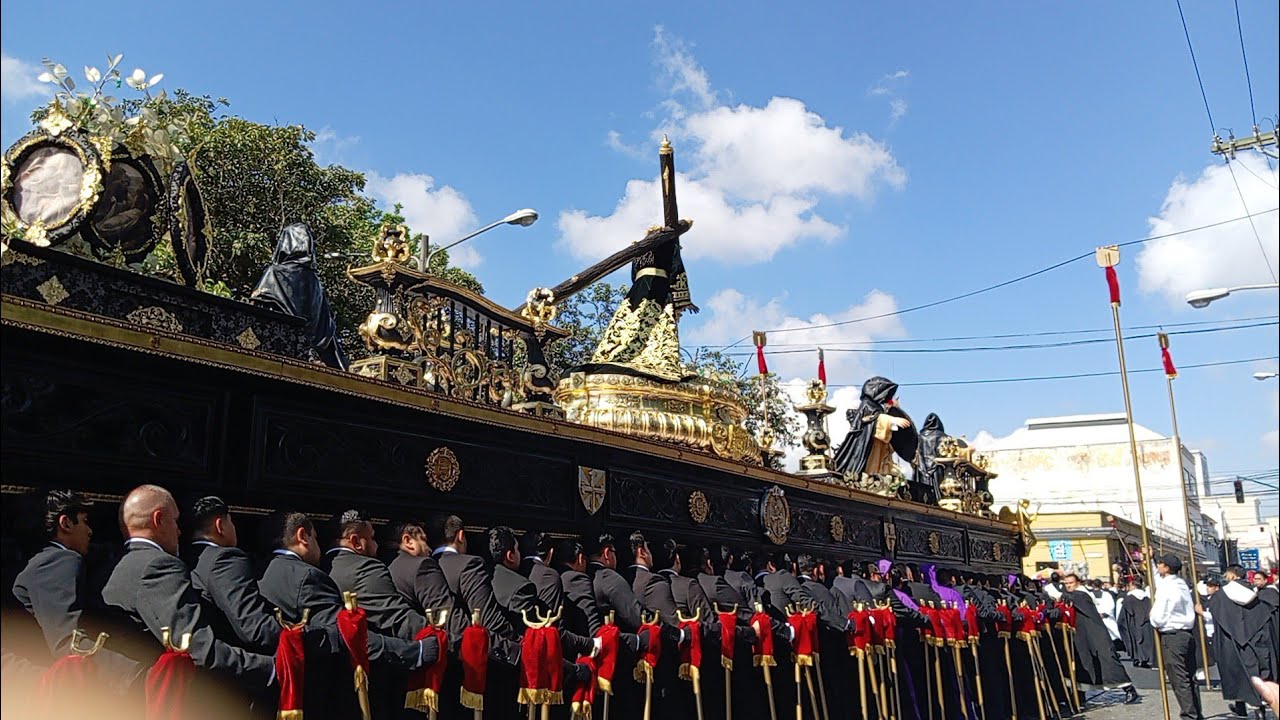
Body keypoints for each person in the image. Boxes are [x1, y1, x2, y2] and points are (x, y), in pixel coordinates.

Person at [100, 485, 275, 686]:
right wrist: (270, 668)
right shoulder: (158, 565)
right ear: (158, 520)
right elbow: (196, 648)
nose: (179, 530)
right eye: (175, 521)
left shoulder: (111, 563)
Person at [11, 490, 142, 694]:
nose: (90, 531)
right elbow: (68, 641)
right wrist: (138, 676)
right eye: (84, 521)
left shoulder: (38, 563)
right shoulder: (60, 560)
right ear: (66, 524)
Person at [250, 222, 348, 369]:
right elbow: (327, 324)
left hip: (279, 351)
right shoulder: (316, 282)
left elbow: (257, 309)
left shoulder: (274, 273)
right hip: (313, 354)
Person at [322, 510, 425, 639]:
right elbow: (396, 617)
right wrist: (442, 639)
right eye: (372, 538)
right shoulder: (365, 567)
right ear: (356, 542)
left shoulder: (320, 567)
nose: (376, 545)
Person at [1049, 573, 1139, 703]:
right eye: (1066, 583)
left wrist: (1058, 595)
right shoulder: (1073, 596)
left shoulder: (1082, 595)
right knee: (1083, 663)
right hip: (1081, 635)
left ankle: (1129, 689)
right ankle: (1080, 694)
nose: (1068, 586)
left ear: (1078, 583)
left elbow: (1074, 598)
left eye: (1071, 583)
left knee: (1107, 661)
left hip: (1094, 633)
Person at [1200, 564, 1278, 715]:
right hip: (1257, 642)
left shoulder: (1220, 598)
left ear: (1233, 575)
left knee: (1238, 672)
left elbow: (1217, 619)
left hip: (1232, 643)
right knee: (1259, 675)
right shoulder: (1257, 594)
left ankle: (1242, 707)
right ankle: (1259, 709)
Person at [1150, 554, 1202, 720]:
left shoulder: (1167, 587)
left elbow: (1160, 613)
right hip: (1186, 633)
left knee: (1179, 678)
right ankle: (1196, 712)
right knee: (1190, 677)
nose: (1158, 566)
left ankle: (1189, 715)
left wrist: (1154, 619)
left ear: (1166, 568)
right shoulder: (1181, 584)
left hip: (1173, 635)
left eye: (1160, 564)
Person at [1116, 577, 1155, 668]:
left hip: (1133, 623)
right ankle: (1146, 659)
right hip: (1146, 623)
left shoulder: (1129, 598)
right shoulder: (1148, 598)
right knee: (1146, 640)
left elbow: (1123, 616)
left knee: (1135, 640)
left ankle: (1137, 658)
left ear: (1133, 586)